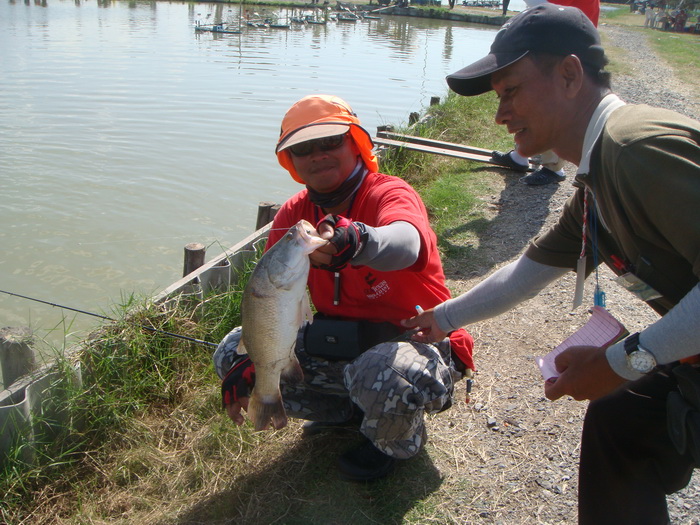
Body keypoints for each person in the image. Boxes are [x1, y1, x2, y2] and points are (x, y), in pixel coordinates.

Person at [402, 5, 700, 524]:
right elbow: (527, 272)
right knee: (620, 419)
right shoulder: (596, 179)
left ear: (569, 75)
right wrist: (442, 318)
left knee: (624, 404)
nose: (499, 115)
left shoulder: (634, 149)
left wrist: (624, 360)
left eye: (511, 91)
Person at [214, 94, 474, 482]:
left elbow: (408, 241)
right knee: (230, 352)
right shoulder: (293, 214)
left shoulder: (388, 192)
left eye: (330, 142)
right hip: (343, 341)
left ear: (355, 143)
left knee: (383, 371)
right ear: (292, 161)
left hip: (419, 340)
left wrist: (359, 241)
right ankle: (345, 413)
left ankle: (393, 442)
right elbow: (270, 297)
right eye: (302, 149)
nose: (317, 155)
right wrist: (256, 355)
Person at [490, 0, 600, 186]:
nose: (499, 117)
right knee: (526, 104)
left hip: (563, 46)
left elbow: (549, 10)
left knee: (551, 108)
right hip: (554, 43)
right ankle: (520, 155)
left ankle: (553, 168)